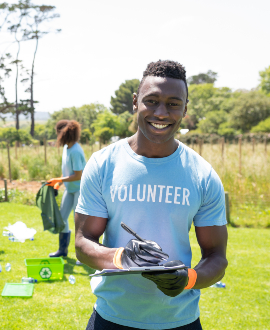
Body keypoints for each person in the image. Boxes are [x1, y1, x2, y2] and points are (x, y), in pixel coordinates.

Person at [75, 60, 228, 330]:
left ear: (185, 108)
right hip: (111, 318)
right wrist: (122, 258)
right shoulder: (103, 164)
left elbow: (216, 257)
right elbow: (83, 243)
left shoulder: (202, 174)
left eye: (173, 103)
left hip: (180, 321)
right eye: (152, 100)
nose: (161, 112)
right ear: (135, 102)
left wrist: (188, 278)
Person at [47, 119, 86, 259]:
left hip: (80, 190)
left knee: (80, 224)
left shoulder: (75, 151)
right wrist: (59, 183)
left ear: (64, 133)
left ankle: (82, 257)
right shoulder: (66, 148)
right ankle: (62, 250)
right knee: (62, 218)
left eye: (58, 133)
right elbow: (68, 173)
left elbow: (78, 175)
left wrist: (58, 180)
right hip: (70, 189)